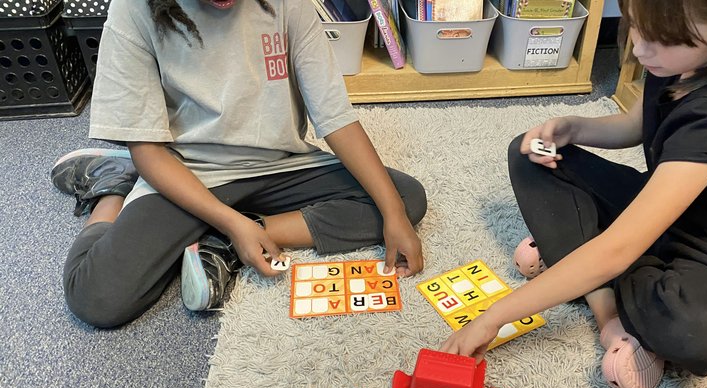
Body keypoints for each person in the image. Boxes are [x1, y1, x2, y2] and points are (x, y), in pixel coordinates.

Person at [441, 0, 707, 388]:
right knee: (528, 157)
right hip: (659, 200)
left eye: (662, 38)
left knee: (691, 332)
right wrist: (575, 127)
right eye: (634, 26)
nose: (640, 49)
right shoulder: (684, 62)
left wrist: (493, 318)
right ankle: (599, 296)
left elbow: (618, 250)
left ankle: (577, 256)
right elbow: (639, 125)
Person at [50, 0, 427, 328]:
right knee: (95, 297)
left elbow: (335, 117)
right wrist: (231, 221)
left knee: (405, 198)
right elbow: (147, 148)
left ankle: (228, 243)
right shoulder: (133, 10)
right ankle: (112, 186)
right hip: (187, 172)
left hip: (281, 165)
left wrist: (392, 211)